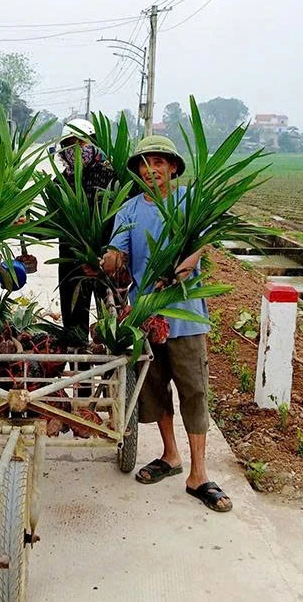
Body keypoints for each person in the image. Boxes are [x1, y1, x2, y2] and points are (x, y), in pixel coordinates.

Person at [101, 135, 232, 513]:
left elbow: (199, 243)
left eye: (159, 163)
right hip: (148, 314)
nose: (151, 170)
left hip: (186, 314)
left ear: (173, 167)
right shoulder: (128, 210)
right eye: (144, 164)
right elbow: (118, 253)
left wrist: (185, 265)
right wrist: (109, 261)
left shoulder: (189, 202)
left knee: (193, 390)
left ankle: (200, 474)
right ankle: (170, 456)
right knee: (156, 389)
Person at [53, 119, 115, 343]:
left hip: (106, 255)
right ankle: (78, 371)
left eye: (82, 143)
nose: (77, 150)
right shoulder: (60, 181)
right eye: (70, 144)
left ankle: (109, 372)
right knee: (73, 320)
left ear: (93, 143)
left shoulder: (110, 176)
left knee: (110, 315)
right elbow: (52, 222)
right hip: (70, 256)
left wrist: (105, 258)